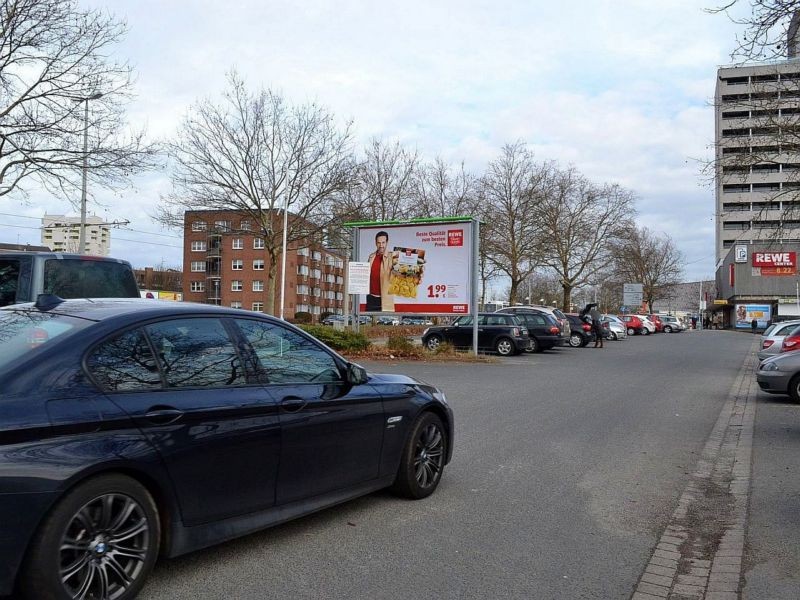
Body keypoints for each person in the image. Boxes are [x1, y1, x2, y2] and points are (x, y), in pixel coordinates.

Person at [366, 231, 395, 312]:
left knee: (384, 323)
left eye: (383, 242)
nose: (381, 245)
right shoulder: (371, 257)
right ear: (375, 243)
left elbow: (399, 273)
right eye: (379, 243)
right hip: (371, 297)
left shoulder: (392, 257)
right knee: (370, 324)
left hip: (385, 299)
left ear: (387, 242)